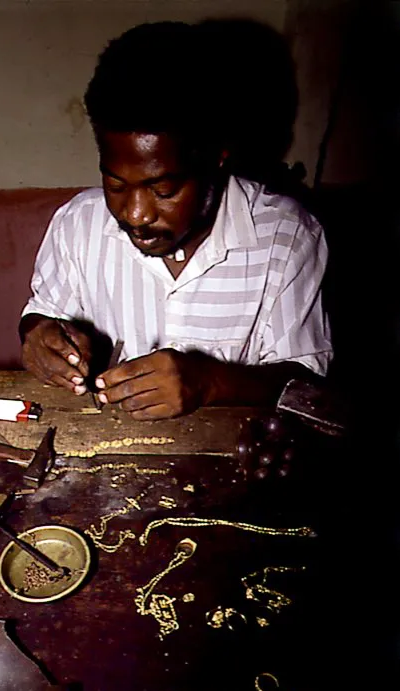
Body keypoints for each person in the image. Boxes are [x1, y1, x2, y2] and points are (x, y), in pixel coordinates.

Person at [20, 21, 332, 421]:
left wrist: (211, 382)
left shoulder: (286, 238)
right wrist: (37, 336)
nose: (135, 214)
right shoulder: (77, 224)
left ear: (216, 158)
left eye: (163, 190)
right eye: (115, 183)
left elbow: (310, 387)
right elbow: (40, 313)